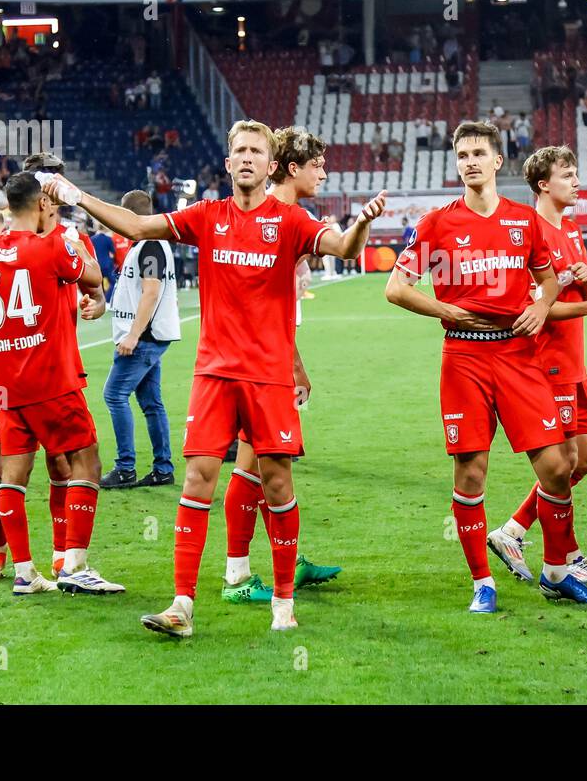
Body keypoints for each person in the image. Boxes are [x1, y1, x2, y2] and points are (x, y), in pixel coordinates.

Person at [41, 119, 386, 636]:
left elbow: (346, 249)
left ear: (271, 166)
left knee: (277, 483)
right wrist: (74, 195)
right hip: (215, 375)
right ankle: (182, 606)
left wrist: (361, 223)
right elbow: (137, 227)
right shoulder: (207, 216)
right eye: (239, 150)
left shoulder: (290, 220)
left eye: (256, 151)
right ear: (228, 164)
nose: (247, 157)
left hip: (268, 379)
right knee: (199, 478)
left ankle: (284, 603)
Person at [385, 120, 587, 613]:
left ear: (497, 161)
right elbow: (396, 288)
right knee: (471, 473)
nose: (469, 161)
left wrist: (540, 305)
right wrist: (445, 310)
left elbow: (548, 281)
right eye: (461, 154)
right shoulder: (436, 224)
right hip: (463, 357)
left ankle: (556, 573)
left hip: (518, 354)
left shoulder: (521, 220)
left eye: (477, 153)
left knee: (557, 466)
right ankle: (482, 582)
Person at [0, 172, 122, 596]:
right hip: (52, 379)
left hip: (8, 386)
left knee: (13, 473)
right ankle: (75, 566)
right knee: (85, 461)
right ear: (44, 204)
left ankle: (25, 572)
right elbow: (91, 278)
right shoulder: (55, 245)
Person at [487, 145, 587, 585]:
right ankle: (565, 557)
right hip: (545, 363)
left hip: (574, 362)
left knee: (585, 459)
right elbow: (533, 310)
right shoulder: (528, 230)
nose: (576, 181)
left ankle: (512, 531)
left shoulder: (570, 228)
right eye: (567, 175)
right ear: (543, 184)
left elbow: (585, 296)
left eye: (575, 173)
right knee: (562, 463)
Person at [220, 126, 343, 605]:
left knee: (273, 465)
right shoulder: (274, 217)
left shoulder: (291, 215)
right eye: (317, 166)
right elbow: (261, 307)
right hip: (256, 363)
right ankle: (236, 575)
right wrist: (292, 365)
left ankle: (287, 560)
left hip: (270, 357)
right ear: (292, 168)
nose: (324, 174)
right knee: (252, 466)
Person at [100, 190, 179, 492]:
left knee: (114, 395)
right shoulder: (150, 245)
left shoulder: (149, 246)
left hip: (144, 337)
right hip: (149, 336)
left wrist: (133, 334)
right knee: (150, 403)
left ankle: (125, 469)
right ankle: (162, 468)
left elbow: (151, 291)